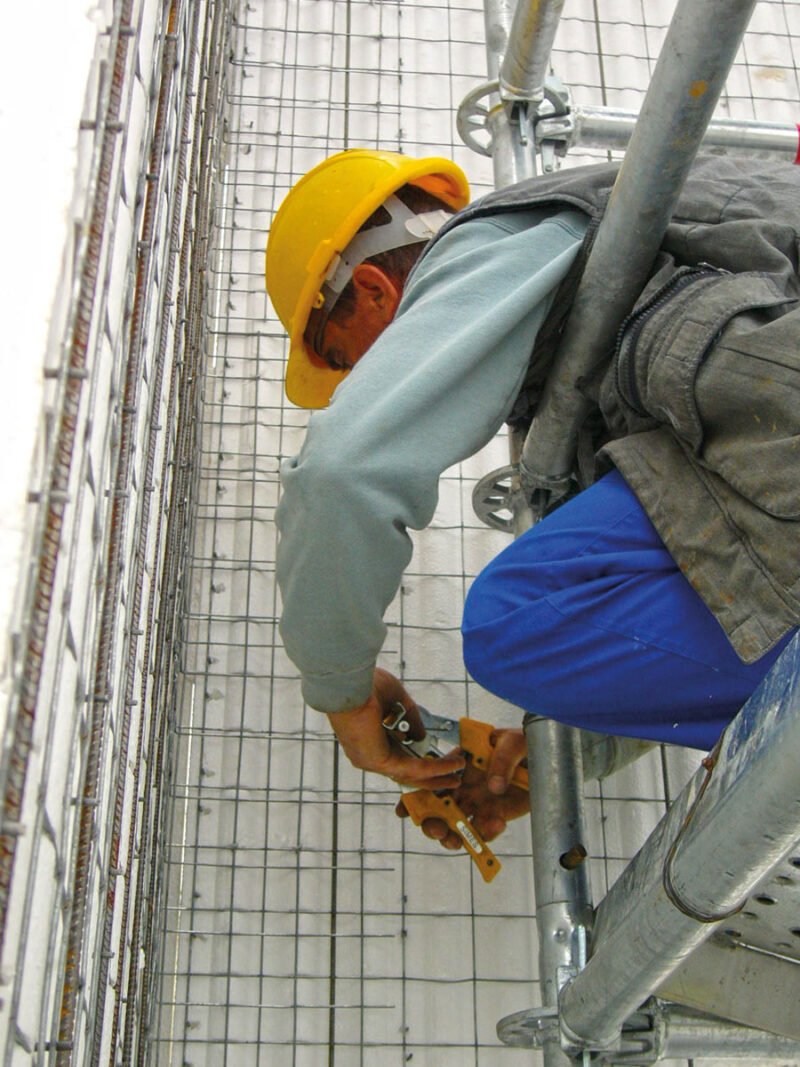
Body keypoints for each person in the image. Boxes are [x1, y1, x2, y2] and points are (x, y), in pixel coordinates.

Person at [265, 148, 800, 849]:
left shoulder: (492, 240)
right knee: (539, 615)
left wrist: (345, 696)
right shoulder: (571, 354)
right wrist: (560, 752)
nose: (357, 385)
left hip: (762, 387)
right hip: (752, 427)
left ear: (371, 289)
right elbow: (700, 589)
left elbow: (339, 474)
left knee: (517, 619)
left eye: (345, 360)